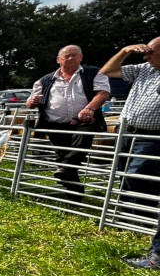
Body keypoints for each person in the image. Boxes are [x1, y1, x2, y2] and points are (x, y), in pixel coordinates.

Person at [26, 45, 110, 200]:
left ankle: (68, 176)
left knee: (77, 147)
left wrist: (90, 108)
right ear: (59, 60)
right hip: (54, 124)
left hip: (84, 121)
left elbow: (103, 92)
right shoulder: (45, 80)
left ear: (81, 58)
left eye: (75, 55)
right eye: (67, 56)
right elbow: (30, 103)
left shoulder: (93, 73)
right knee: (63, 156)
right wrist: (32, 101)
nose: (71, 58)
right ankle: (75, 194)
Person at [100, 36, 160, 204]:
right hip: (126, 132)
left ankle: (143, 217)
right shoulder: (145, 68)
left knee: (137, 176)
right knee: (123, 173)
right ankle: (127, 215)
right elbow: (107, 72)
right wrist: (125, 51)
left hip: (151, 137)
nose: (145, 57)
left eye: (151, 52)